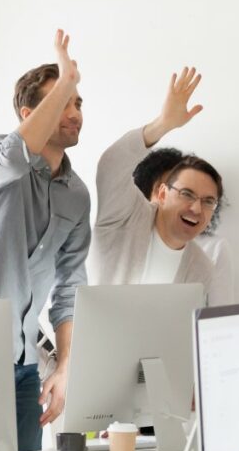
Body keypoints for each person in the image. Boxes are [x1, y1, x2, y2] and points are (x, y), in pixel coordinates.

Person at [0, 30, 91, 451]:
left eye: (78, 101)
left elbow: (70, 290)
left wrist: (66, 367)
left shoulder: (77, 195)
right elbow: (15, 156)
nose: (75, 112)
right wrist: (66, 78)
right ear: (31, 114)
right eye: (63, 100)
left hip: (25, 364)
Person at [89, 67, 231, 306]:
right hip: (92, 340)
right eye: (187, 194)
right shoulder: (126, 216)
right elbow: (112, 165)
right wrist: (162, 124)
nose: (196, 208)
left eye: (208, 201)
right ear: (163, 193)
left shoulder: (201, 267)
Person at [132, 146, 234, 303]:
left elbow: (221, 315)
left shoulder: (211, 252)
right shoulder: (125, 238)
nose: (194, 206)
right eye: (185, 193)